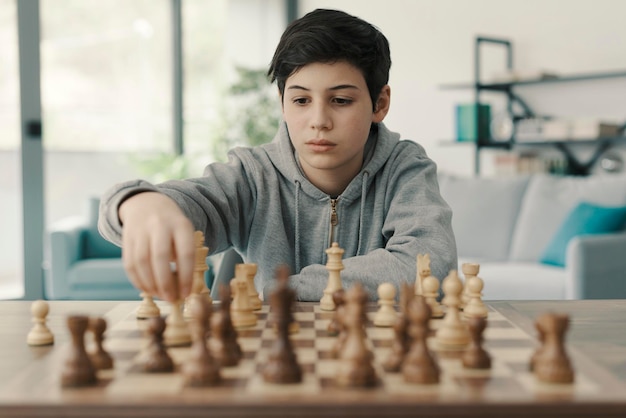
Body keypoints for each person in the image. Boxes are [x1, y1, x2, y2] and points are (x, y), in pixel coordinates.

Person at [98, 8, 457, 303]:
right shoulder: (252, 175)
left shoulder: (405, 168)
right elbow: (174, 207)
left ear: (379, 104)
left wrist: (286, 290)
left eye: (341, 100)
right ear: (283, 105)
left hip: (375, 364)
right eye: (301, 100)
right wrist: (137, 202)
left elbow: (429, 266)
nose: (319, 121)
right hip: (270, 365)